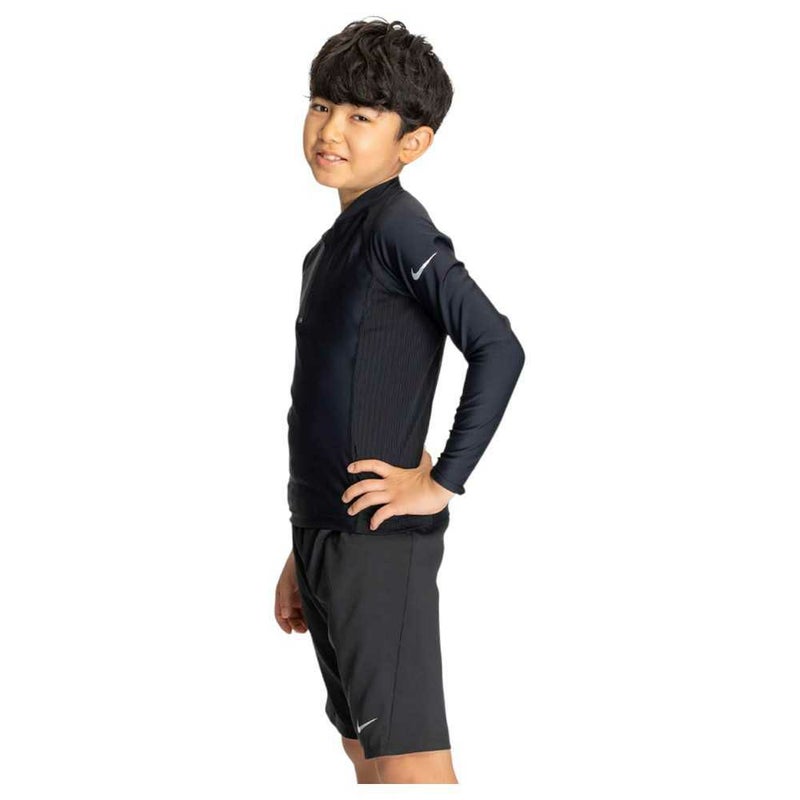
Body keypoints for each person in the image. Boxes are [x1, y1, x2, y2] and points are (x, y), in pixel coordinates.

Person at [274, 18, 525, 784]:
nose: (330, 130)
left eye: (361, 116)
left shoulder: (398, 229)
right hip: (332, 536)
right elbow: (339, 401)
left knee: (410, 768)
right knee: (365, 753)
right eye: (322, 105)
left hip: (378, 546)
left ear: (412, 142)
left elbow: (498, 347)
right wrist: (304, 545)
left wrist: (440, 481)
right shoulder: (335, 244)